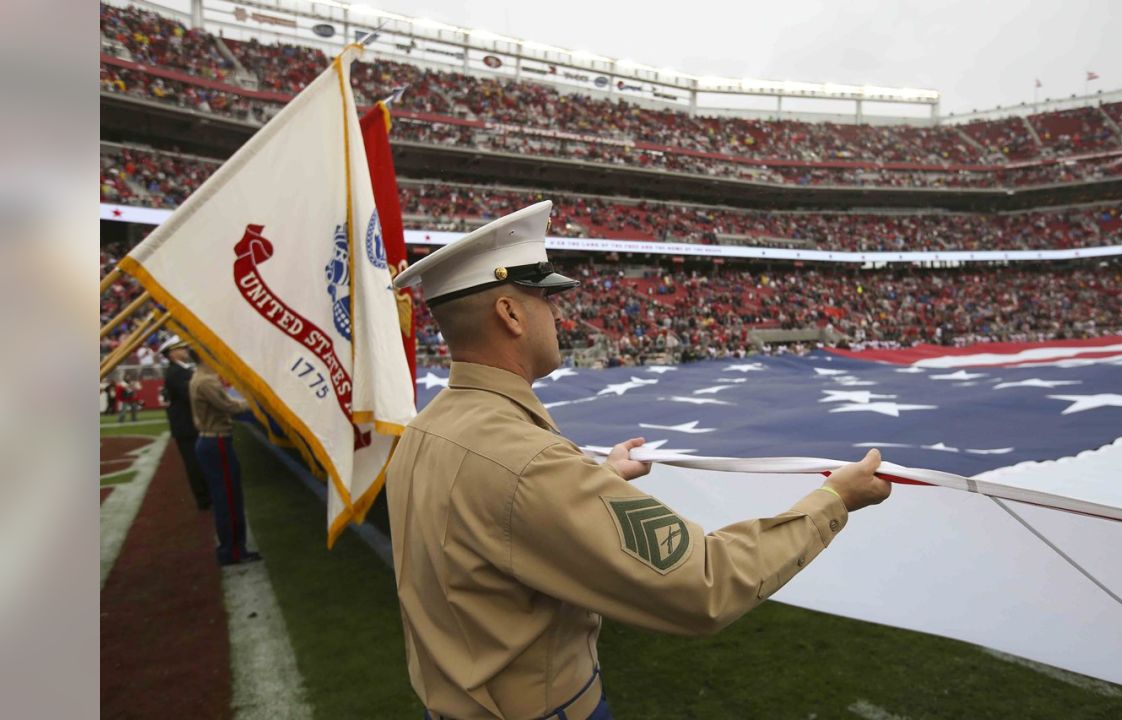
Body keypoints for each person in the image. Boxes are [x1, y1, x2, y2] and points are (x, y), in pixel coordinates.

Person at [386, 201, 891, 720]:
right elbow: (704, 585)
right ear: (510, 315)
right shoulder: (528, 461)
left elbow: (493, 529)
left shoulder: (425, 430)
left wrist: (596, 481)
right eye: (544, 299)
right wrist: (834, 499)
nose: (556, 315)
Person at [189, 355, 262, 566]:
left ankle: (231, 548)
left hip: (211, 441)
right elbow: (230, 407)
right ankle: (233, 551)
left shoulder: (199, 377)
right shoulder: (207, 380)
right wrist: (258, 402)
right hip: (217, 441)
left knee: (226, 497)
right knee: (229, 498)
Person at [159, 335, 209, 510]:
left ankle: (206, 496)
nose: (186, 350)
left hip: (188, 425)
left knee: (198, 462)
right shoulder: (176, 373)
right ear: (172, 354)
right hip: (186, 426)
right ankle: (204, 500)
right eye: (181, 348)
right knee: (194, 464)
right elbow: (192, 395)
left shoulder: (182, 370)